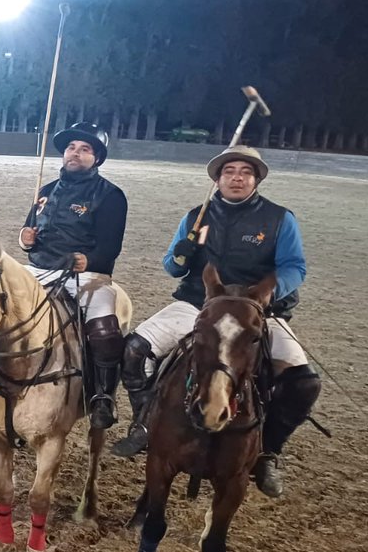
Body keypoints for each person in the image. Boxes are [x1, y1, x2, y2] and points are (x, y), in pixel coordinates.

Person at [112, 146, 320, 498]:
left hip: (258, 312)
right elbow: (171, 265)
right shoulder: (196, 216)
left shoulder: (280, 218)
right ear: (218, 179)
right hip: (198, 305)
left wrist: (270, 292)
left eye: (245, 172)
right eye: (229, 171)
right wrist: (182, 254)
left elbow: (294, 266)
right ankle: (146, 423)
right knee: (134, 350)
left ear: (256, 179)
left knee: (304, 383)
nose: (237, 177)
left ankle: (268, 451)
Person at [20, 121, 129, 429]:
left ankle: (103, 398)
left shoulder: (111, 195)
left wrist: (89, 259)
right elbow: (30, 234)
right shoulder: (46, 190)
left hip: (87, 275)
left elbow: (111, 247)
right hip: (39, 268)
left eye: (85, 149)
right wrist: (24, 239)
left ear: (97, 158)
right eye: (71, 148)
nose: (75, 154)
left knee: (105, 328)